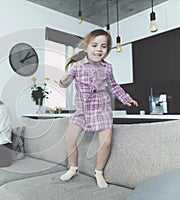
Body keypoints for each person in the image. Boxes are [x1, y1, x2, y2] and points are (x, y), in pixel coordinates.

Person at [58, 29, 138, 188]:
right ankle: (73, 168)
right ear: (86, 47)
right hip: (82, 110)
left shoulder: (107, 68)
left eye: (103, 46)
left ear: (107, 50)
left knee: (106, 142)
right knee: (69, 138)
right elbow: (64, 83)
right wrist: (63, 79)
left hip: (102, 108)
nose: (98, 49)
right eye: (94, 45)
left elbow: (114, 86)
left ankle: (99, 172)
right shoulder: (77, 67)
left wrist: (126, 99)